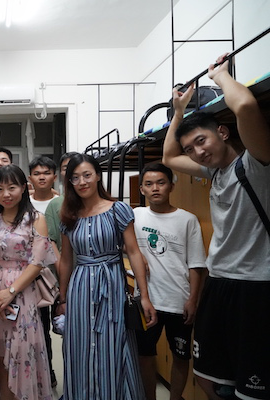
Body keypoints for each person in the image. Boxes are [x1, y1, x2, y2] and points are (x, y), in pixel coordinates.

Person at [162, 54, 270, 400]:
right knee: (208, 377)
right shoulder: (215, 173)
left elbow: (246, 106)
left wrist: (221, 76)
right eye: (191, 148)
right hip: (219, 281)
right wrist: (178, 112)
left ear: (222, 133)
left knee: (251, 387)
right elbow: (168, 157)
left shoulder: (255, 165)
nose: (197, 152)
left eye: (202, 141)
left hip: (255, 286)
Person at [57, 153, 156, 400]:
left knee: (113, 342)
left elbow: (134, 252)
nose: (82, 182)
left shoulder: (117, 209)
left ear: (98, 176)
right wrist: (62, 298)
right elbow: (66, 260)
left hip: (112, 284)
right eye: (75, 178)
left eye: (87, 175)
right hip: (80, 286)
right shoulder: (69, 215)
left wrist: (144, 296)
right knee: (80, 344)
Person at [0, 164, 57, 400]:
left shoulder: (36, 219)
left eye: (12, 187)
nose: (5, 194)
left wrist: (10, 292)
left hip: (22, 292)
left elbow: (37, 263)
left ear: (23, 188)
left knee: (22, 351)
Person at [133, 162, 207, 400]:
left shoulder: (187, 220)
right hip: (146, 301)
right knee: (144, 356)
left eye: (161, 183)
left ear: (171, 186)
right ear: (142, 189)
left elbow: (196, 264)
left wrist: (193, 300)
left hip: (179, 300)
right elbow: (122, 244)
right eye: (149, 184)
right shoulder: (135, 215)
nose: (155, 188)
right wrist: (136, 254)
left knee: (181, 356)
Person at [27, 155, 59, 387]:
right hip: (31, 276)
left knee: (63, 327)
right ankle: (41, 373)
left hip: (57, 272)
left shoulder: (62, 203)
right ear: (30, 178)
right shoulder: (24, 203)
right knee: (38, 327)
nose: (41, 177)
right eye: (37, 173)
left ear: (54, 177)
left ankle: (51, 373)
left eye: (46, 173)